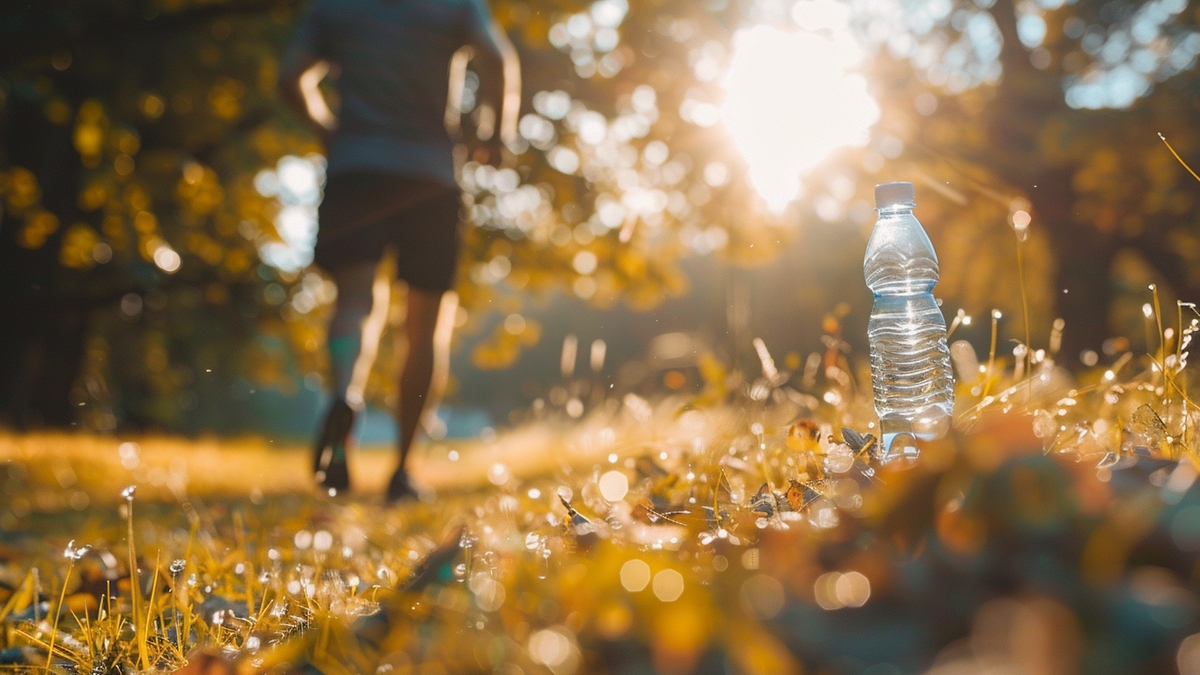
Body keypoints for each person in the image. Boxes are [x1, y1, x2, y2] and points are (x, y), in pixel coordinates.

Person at [279, 0, 519, 502]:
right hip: (428, 176)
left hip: (356, 172)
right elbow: (496, 57)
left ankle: (345, 393)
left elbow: (290, 78)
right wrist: (497, 133)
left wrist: (328, 128)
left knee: (354, 301)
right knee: (424, 325)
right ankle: (403, 469)